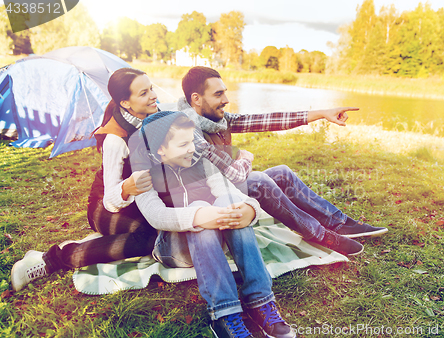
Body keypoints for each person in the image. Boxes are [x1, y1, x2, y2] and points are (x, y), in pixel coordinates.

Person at [132, 66, 387, 257]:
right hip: (204, 205)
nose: (226, 100)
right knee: (260, 180)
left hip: (223, 190)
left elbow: (266, 119)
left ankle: (339, 224)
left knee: (282, 173)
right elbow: (233, 174)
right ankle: (321, 236)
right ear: (197, 99)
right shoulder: (186, 131)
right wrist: (244, 157)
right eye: (219, 94)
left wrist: (320, 114)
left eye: (225, 93)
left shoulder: (216, 119)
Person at [137, 110, 295, 338]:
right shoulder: (143, 175)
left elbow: (229, 192)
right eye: (183, 144)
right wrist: (199, 215)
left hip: (212, 242)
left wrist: (249, 210)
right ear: (159, 149)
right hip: (174, 250)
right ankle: (224, 313)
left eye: (192, 141)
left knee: (229, 201)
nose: (192, 148)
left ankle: (260, 301)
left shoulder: (201, 162)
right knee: (198, 205)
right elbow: (156, 215)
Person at [11, 69, 160, 291]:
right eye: (144, 93)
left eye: (152, 89)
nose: (153, 96)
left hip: (139, 203)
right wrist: (127, 188)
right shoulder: (115, 139)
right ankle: (52, 259)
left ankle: (92, 243)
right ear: (126, 103)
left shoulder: (156, 119)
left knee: (163, 231)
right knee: (147, 239)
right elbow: (110, 200)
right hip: (105, 207)